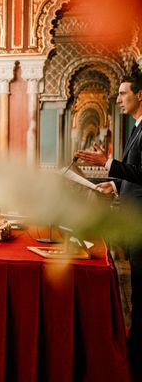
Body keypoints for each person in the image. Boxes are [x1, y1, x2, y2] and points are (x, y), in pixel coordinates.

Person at [76, 73, 142, 380]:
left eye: (123, 93)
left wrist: (108, 163)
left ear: (139, 95)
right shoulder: (136, 127)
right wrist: (113, 187)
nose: (119, 98)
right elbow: (133, 176)